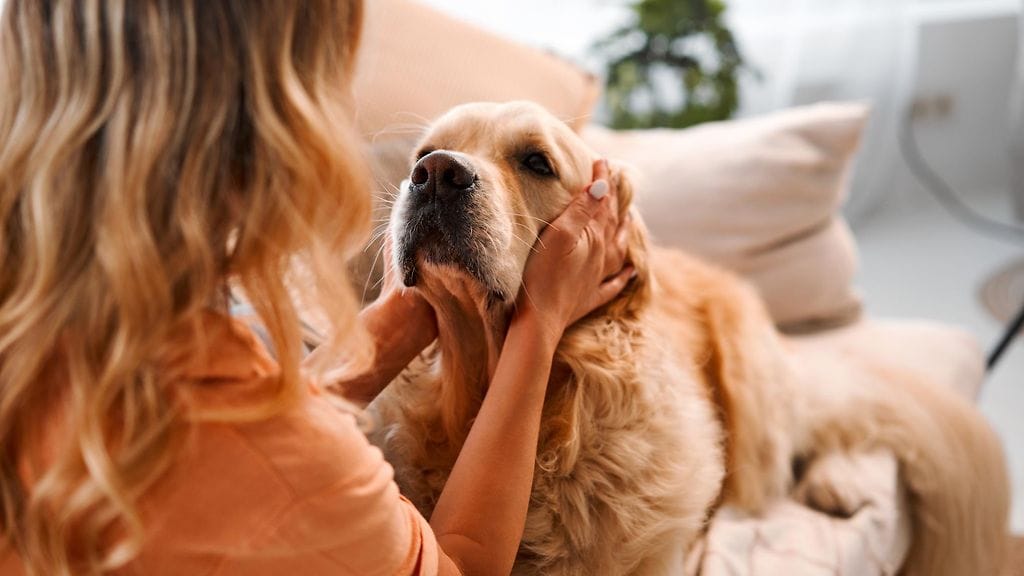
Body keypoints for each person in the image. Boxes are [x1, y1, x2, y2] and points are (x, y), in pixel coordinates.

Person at [0, 2, 631, 575]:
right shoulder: (305, 479)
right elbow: (456, 565)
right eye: (327, 84)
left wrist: (399, 319)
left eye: (533, 163)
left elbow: (253, 421)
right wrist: (538, 324)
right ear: (273, 139)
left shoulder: (51, 332)